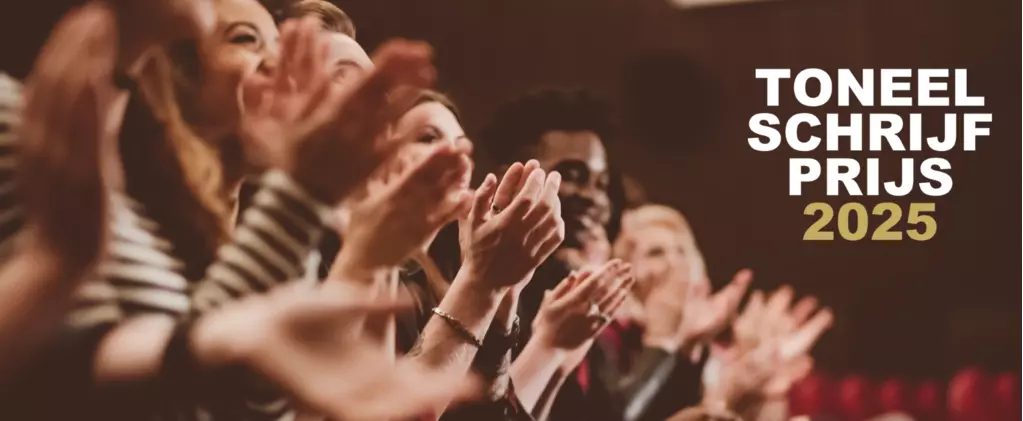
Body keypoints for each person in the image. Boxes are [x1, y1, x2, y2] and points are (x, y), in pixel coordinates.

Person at [1, 2, 479, 420]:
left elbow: (236, 400)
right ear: (174, 76)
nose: (282, 69)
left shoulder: (163, 227)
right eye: (248, 40)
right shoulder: (42, 146)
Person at [479, 88, 751, 421]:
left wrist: (683, 347)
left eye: (601, 183)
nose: (593, 197)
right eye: (575, 176)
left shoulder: (571, 286)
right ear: (515, 176)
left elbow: (613, 411)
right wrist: (663, 341)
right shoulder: (493, 283)